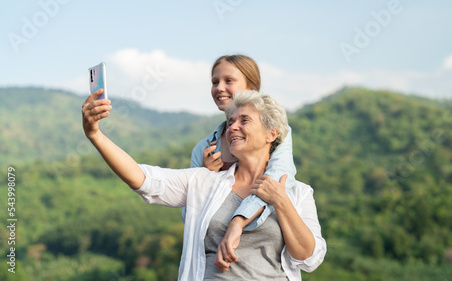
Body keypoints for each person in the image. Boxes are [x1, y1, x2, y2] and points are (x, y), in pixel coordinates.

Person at [82, 89, 326, 280]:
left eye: (244, 120)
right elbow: (142, 178)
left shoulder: (298, 193)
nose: (233, 127)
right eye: (231, 122)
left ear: (271, 134)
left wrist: (281, 202)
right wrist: (95, 134)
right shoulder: (205, 181)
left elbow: (308, 258)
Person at [188, 54, 297, 233]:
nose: (220, 88)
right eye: (215, 82)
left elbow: (280, 180)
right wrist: (205, 175)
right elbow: (189, 215)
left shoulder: (276, 132)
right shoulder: (203, 148)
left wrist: (238, 221)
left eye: (229, 80)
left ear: (252, 88)